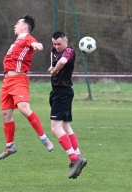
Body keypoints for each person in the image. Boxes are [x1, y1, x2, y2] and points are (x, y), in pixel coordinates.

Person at [0, 15, 54, 160]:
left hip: (18, 80)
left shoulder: (27, 38)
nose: (15, 25)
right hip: (7, 81)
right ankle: (10, 146)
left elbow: (37, 44)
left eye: (18, 23)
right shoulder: (17, 41)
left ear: (25, 27)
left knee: (23, 107)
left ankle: (44, 139)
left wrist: (37, 45)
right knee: (6, 114)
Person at [47, 31, 87, 179]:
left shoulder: (69, 51)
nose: (57, 47)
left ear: (66, 41)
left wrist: (55, 71)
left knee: (55, 128)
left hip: (62, 93)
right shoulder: (53, 51)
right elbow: (52, 62)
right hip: (58, 92)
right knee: (65, 126)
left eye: (59, 44)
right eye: (54, 44)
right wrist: (52, 68)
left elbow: (62, 62)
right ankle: (78, 156)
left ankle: (74, 160)